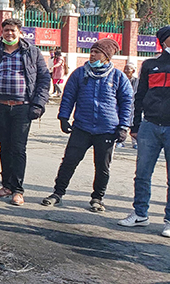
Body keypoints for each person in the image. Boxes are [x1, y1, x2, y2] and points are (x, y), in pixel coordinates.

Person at [42, 39, 132, 212]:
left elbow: (127, 103)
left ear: (106, 56)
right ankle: (57, 193)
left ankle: (97, 198)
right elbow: (68, 96)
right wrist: (63, 117)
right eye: (91, 51)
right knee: (69, 161)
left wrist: (123, 126)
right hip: (82, 127)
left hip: (107, 130)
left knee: (102, 167)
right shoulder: (79, 73)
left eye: (97, 52)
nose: (92, 55)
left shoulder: (118, 77)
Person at [0, 18, 50, 206]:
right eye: (6, 30)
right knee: (4, 147)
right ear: (1, 32)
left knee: (18, 148)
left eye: (13, 30)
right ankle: (6, 186)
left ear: (20, 33)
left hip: (22, 107)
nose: (9, 33)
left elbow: (44, 79)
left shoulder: (32, 52)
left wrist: (38, 105)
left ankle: (17, 190)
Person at [118, 26, 170, 237]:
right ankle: (140, 213)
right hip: (149, 125)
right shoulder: (150, 65)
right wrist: (135, 125)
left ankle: (169, 221)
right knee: (142, 173)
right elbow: (139, 96)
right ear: (164, 41)